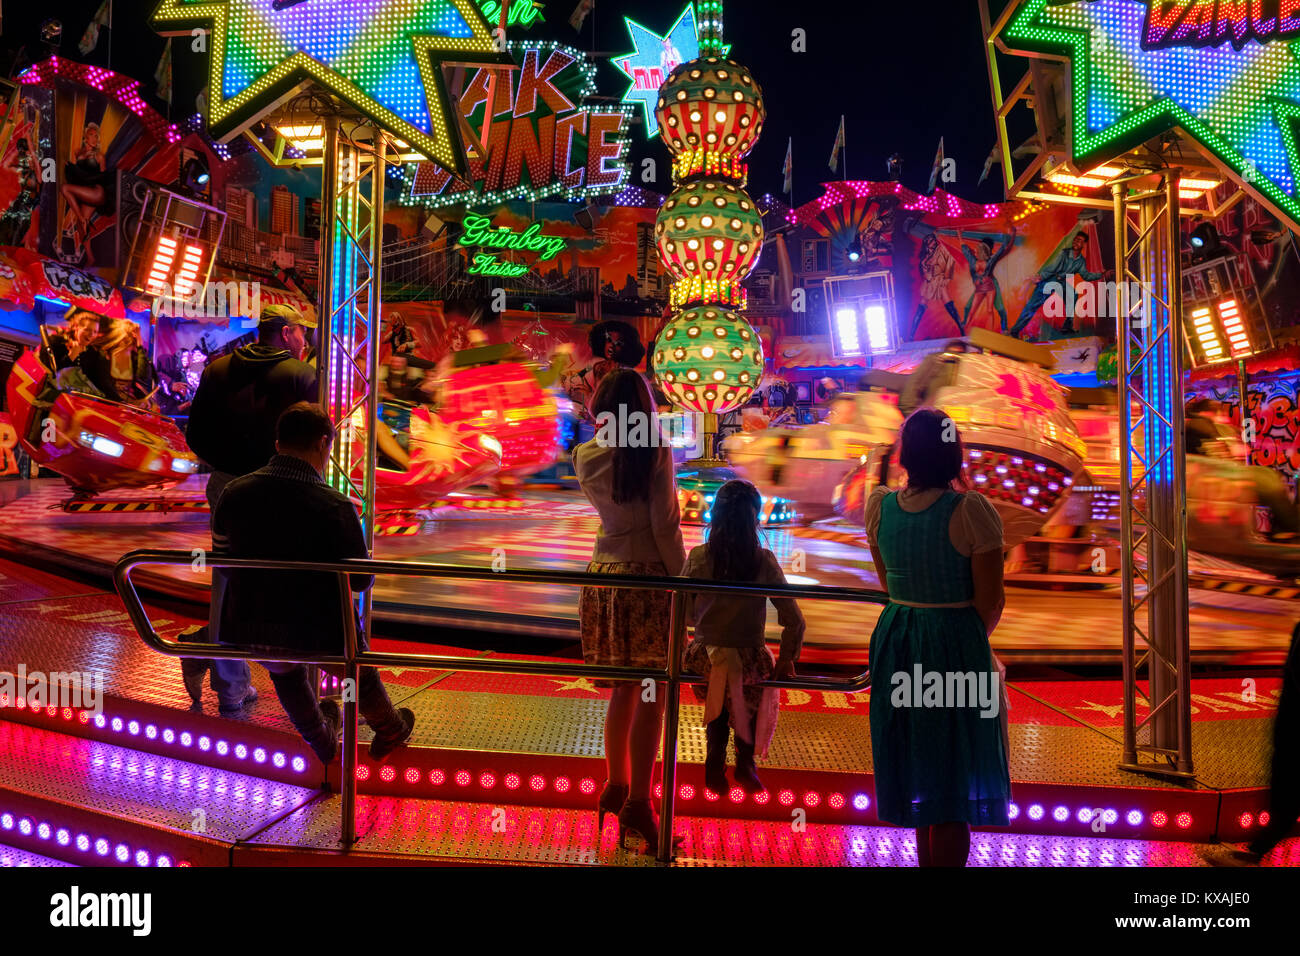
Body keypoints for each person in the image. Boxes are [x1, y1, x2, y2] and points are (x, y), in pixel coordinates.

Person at [213, 402, 415, 764]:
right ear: (324, 444)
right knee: (357, 668)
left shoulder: (235, 493)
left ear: (278, 444)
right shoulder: (335, 506)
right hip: (321, 633)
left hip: (249, 626)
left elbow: (223, 564)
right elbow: (360, 582)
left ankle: (321, 740)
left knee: (283, 666)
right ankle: (389, 727)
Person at [865, 408, 1011, 867]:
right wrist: (965, 641)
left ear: (906, 455)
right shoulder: (971, 510)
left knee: (921, 766)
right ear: (953, 454)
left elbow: (888, 583)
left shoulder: (880, 506)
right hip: (953, 642)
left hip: (897, 639)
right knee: (952, 777)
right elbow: (990, 601)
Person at [181, 304, 318, 715]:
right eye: (301, 334)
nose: (305, 342)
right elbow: (315, 440)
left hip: (228, 485)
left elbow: (196, 434)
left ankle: (228, 682)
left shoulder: (216, 370)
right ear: (287, 333)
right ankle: (298, 686)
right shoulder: (302, 376)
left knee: (229, 582)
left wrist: (228, 464)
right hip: (283, 486)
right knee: (288, 581)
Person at [573, 368, 685, 854]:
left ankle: (615, 786)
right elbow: (664, 527)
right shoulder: (654, 449)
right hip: (646, 581)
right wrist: (687, 586)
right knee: (651, 696)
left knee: (622, 691)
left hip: (603, 576)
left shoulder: (585, 454)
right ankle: (640, 802)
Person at [682, 479, 804, 796]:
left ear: (715, 517)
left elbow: (682, 610)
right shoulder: (763, 561)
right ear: (754, 519)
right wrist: (788, 659)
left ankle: (713, 759)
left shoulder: (698, 557)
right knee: (751, 683)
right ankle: (746, 762)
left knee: (719, 691)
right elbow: (794, 619)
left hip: (704, 658)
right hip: (749, 656)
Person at [1203, 620, 1300, 866]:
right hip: (1289, 729)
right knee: (1284, 797)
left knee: (1285, 794)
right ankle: (1256, 851)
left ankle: (1255, 853)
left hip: (1293, 730)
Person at [1009, 232, 1108, 340]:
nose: (1076, 242)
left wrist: (1101, 274)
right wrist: (1041, 277)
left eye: (1079, 240)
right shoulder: (1064, 254)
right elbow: (1053, 267)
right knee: (1033, 305)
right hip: (1050, 279)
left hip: (1061, 282)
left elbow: (1086, 275)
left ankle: (1067, 326)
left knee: (1072, 294)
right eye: (1075, 239)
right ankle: (1015, 330)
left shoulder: (1080, 261)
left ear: (1084, 244)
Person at [77, 318, 157, 404]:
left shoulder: (134, 357)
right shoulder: (104, 354)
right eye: (130, 335)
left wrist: (140, 346)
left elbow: (143, 376)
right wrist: (121, 403)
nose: (131, 340)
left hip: (127, 403)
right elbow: (103, 384)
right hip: (108, 402)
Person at [958, 226, 1016, 333]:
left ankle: (1004, 328)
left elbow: (1005, 248)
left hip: (990, 284)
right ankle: (964, 324)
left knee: (998, 308)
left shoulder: (991, 259)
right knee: (968, 307)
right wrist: (959, 234)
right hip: (979, 286)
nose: (975, 250)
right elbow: (964, 249)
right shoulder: (974, 259)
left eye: (978, 249)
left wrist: (1011, 235)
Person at [911, 232, 963, 337]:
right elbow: (923, 270)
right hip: (929, 282)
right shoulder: (925, 257)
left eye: (933, 240)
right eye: (930, 241)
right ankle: (912, 333)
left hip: (939, 280)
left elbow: (949, 261)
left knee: (949, 304)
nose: (933, 242)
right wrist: (926, 274)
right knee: (922, 305)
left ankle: (961, 329)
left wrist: (946, 278)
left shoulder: (941, 250)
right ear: (926, 244)